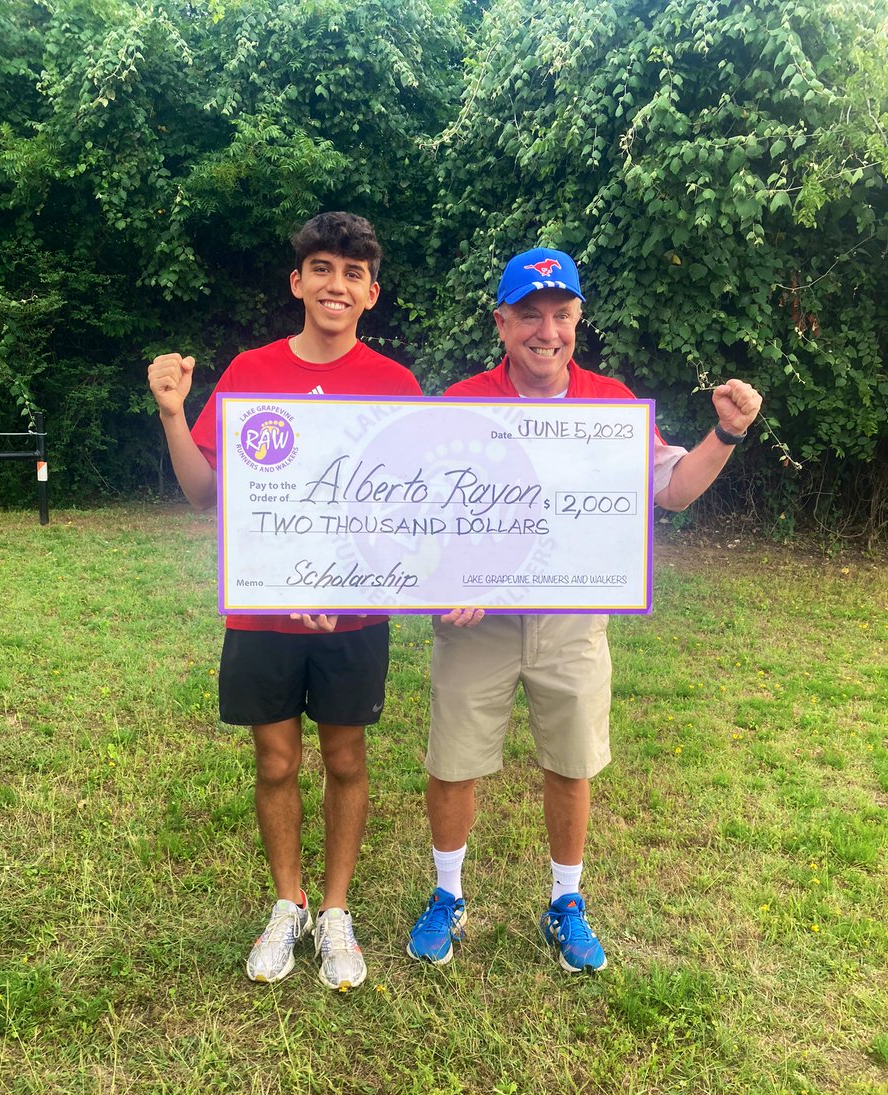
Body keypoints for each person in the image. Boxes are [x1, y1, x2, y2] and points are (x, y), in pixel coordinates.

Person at [407, 248, 762, 974]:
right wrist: (442, 583)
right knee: (453, 760)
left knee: (570, 763)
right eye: (529, 315)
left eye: (561, 315)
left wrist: (725, 434)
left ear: (578, 320)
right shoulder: (461, 401)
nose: (547, 331)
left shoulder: (610, 402)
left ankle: (565, 902)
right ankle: (448, 896)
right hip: (478, 620)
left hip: (571, 615)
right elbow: (420, 509)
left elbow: (672, 490)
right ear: (502, 323)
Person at [148, 212, 421, 991]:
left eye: (354, 273)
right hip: (262, 612)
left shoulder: (397, 387)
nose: (337, 284)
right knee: (274, 760)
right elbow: (204, 495)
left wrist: (365, 583)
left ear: (372, 293)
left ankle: (335, 911)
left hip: (352, 617)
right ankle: (286, 901)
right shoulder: (249, 372)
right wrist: (174, 413)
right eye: (323, 268)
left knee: (345, 757)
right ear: (297, 281)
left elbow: (409, 514)